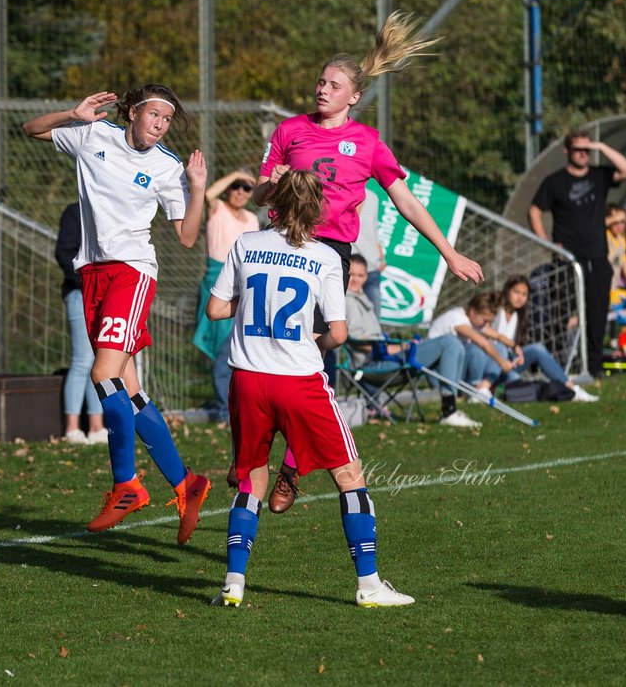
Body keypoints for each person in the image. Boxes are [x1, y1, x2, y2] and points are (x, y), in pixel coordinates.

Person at [251, 12, 484, 507]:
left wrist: (449, 251)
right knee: (263, 352)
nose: (322, 89)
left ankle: (291, 468)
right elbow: (258, 194)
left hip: (327, 254)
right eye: (320, 81)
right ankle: (251, 457)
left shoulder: (369, 144)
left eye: (333, 85)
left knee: (315, 360)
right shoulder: (290, 131)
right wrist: (274, 185)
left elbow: (407, 201)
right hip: (276, 247)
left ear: (353, 97)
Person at [205, 170, 413, 608]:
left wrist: (256, 306)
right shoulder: (323, 258)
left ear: (274, 204)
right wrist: (307, 340)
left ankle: (234, 581)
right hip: (298, 379)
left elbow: (216, 307)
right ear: (318, 209)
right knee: (350, 477)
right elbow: (337, 333)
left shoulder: (246, 244)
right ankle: (370, 585)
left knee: (250, 478)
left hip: (247, 378)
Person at [23, 86, 212, 543]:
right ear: (133, 112)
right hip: (92, 273)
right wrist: (72, 113)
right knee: (130, 389)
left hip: (132, 271)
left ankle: (126, 484)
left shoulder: (167, 166)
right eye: (154, 114)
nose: (160, 124)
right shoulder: (94, 135)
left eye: (167, 119)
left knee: (102, 375)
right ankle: (188, 483)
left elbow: (187, 237)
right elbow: (29, 130)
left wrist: (199, 188)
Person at [528, 129, 626, 378]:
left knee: (597, 313)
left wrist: (600, 147)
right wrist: (548, 244)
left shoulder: (599, 176)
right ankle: (553, 364)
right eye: (578, 149)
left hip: (597, 256)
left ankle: (593, 365)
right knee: (561, 311)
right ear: (567, 151)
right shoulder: (555, 182)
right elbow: (534, 211)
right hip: (567, 258)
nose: (583, 154)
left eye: (587, 150)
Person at [341, 254, 466, 424]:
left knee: (452, 343)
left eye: (360, 275)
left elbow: (372, 338)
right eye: (351, 274)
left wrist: (401, 345)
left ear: (366, 276)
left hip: (384, 359)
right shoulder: (347, 300)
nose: (355, 279)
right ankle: (449, 409)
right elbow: (357, 339)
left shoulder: (362, 299)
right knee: (448, 342)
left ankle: (451, 401)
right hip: (373, 366)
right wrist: (393, 349)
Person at [191, 169, 260, 421]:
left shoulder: (252, 218)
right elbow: (208, 193)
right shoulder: (217, 208)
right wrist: (235, 175)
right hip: (217, 280)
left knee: (238, 346)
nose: (240, 192)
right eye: (236, 187)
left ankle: (238, 405)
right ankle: (224, 409)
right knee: (221, 347)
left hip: (243, 283)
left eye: (246, 187)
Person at [492, 276, 599, 401]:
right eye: (516, 292)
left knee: (537, 349)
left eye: (524, 294)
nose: (520, 298)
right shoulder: (496, 311)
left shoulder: (518, 316)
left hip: (510, 363)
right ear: (507, 291)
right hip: (493, 363)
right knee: (515, 381)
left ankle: (572, 388)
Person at [55, 202, 107, 445]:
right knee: (82, 359)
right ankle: (72, 427)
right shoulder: (75, 212)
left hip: (106, 294)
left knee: (99, 359)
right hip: (80, 292)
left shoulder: (110, 209)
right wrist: (88, 280)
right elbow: (64, 253)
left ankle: (97, 427)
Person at [425, 292, 517, 428]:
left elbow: (497, 336)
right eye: (485, 321)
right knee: (475, 349)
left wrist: (515, 347)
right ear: (473, 312)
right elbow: (483, 343)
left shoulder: (471, 320)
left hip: (453, 373)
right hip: (437, 373)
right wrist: (502, 363)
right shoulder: (458, 320)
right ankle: (470, 393)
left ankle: (481, 389)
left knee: (500, 348)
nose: (487, 325)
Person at [350, 193, 385, 318]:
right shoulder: (345, 192)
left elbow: (373, 228)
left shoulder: (373, 197)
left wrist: (380, 254)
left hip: (372, 266)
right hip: (350, 265)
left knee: (374, 318)